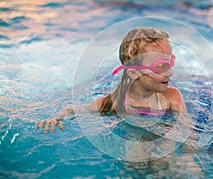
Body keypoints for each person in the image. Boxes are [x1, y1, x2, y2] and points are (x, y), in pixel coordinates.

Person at [36, 27, 187, 134]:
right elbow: (71, 109)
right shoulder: (114, 102)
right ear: (134, 72)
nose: (171, 72)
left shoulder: (172, 97)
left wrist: (190, 156)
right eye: (161, 66)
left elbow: (188, 131)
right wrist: (55, 119)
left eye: (170, 62)